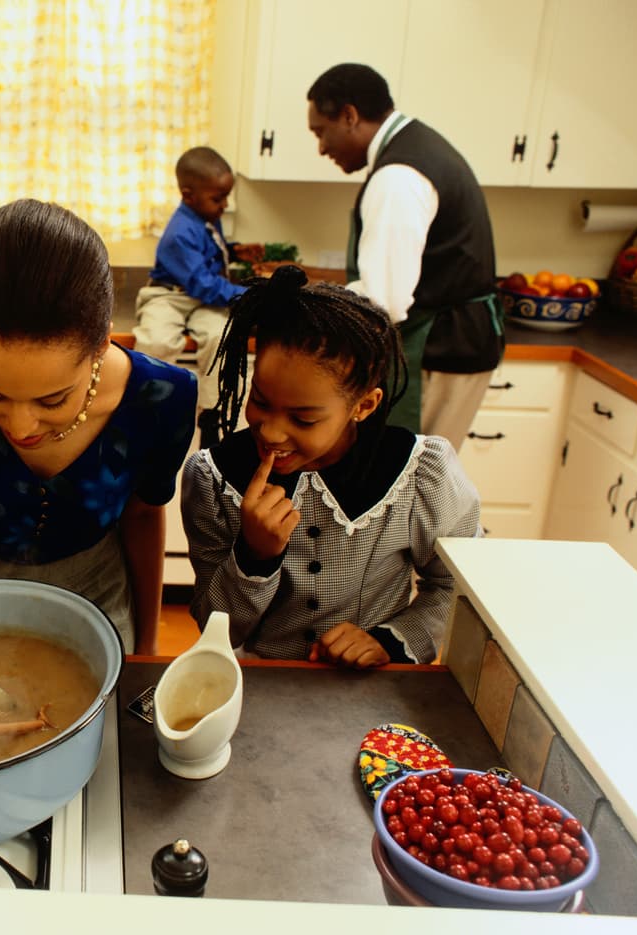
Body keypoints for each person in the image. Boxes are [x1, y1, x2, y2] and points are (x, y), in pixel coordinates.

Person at [0, 199, 197, 655]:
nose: (21, 425)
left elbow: (145, 515)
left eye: (53, 400)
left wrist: (145, 648)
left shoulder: (161, 398)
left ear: (100, 345)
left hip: (98, 611)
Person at [181, 266, 480, 667]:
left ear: (364, 406)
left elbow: (455, 587)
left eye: (303, 419)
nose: (270, 432)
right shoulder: (213, 477)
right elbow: (216, 625)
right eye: (261, 401)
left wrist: (392, 641)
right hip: (264, 681)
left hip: (377, 685)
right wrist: (254, 555)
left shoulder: (422, 472)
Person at [307, 63, 503, 450]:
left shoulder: (398, 176)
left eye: (321, 132)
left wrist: (315, 313)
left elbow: (386, 301)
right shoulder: (417, 147)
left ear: (349, 116)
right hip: (454, 341)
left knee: (416, 482)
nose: (322, 147)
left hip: (438, 348)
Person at [132, 146, 247, 436]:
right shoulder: (179, 232)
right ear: (188, 195)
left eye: (226, 197)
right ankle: (146, 412)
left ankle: (211, 413)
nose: (224, 205)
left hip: (200, 298)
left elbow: (207, 255)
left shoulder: (207, 216)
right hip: (168, 296)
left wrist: (235, 252)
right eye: (218, 198)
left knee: (220, 336)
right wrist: (243, 296)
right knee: (157, 341)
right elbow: (204, 284)